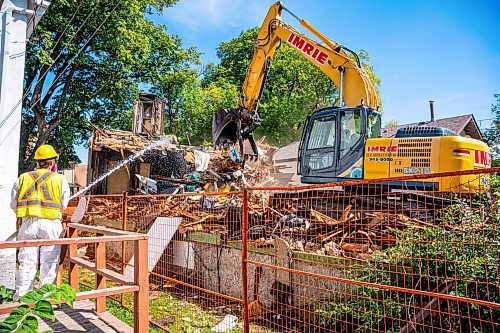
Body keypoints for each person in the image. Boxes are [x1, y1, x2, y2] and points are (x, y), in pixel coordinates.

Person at [10, 144, 70, 299]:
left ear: (37, 161)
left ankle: (23, 298)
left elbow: (13, 204)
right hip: (51, 225)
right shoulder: (60, 179)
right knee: (49, 262)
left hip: (28, 224)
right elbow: (63, 205)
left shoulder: (23, 178)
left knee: (26, 263)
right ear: (52, 163)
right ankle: (46, 297)